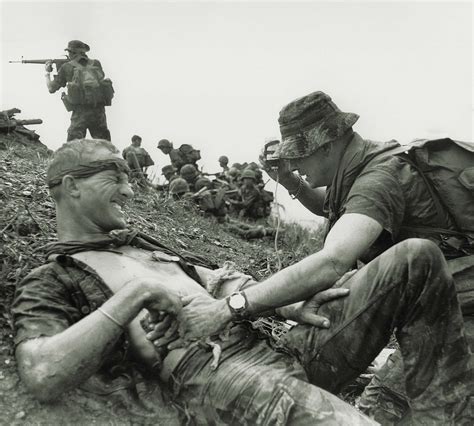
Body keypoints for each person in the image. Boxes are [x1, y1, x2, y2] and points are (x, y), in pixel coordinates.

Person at [12, 138, 379, 424]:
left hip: (271, 352)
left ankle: (391, 401)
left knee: (413, 259)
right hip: (216, 376)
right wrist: (137, 294)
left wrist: (290, 304)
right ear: (73, 186)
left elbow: (220, 283)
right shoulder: (55, 276)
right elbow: (42, 373)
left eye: (128, 180)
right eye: (114, 179)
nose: (129, 191)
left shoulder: (143, 248)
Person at [177, 91, 474, 424]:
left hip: (462, 312)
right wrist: (289, 181)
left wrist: (232, 306)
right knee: (381, 404)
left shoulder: (378, 179)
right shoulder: (362, 161)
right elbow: (333, 207)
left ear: (328, 146)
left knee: (422, 410)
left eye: (298, 157)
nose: (293, 164)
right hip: (443, 303)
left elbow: (333, 261)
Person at [45, 40, 113, 141]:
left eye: (69, 52)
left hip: (80, 112)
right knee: (104, 145)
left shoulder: (66, 67)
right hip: (98, 111)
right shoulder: (96, 63)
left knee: (74, 146)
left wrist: (47, 73)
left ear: (73, 53)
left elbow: (51, 88)